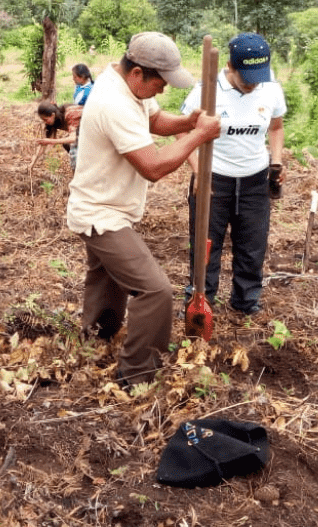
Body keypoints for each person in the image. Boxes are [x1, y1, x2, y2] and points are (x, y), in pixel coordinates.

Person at [66, 32, 220, 388]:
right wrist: (197, 137)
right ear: (137, 74)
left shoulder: (124, 85)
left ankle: (96, 343)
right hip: (101, 213)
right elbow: (152, 166)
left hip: (105, 205)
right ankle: (136, 375)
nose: (163, 90)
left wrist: (187, 123)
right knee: (155, 292)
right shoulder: (113, 102)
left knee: (108, 282)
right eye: (160, 82)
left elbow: (154, 121)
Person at [181, 32, 286, 316]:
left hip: (255, 180)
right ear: (230, 66)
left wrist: (276, 162)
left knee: (252, 246)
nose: (253, 84)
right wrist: (198, 173)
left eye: (258, 77)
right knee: (206, 246)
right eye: (246, 77)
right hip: (214, 178)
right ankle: (201, 300)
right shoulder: (206, 92)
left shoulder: (271, 89)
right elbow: (183, 130)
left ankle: (245, 300)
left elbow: (276, 128)